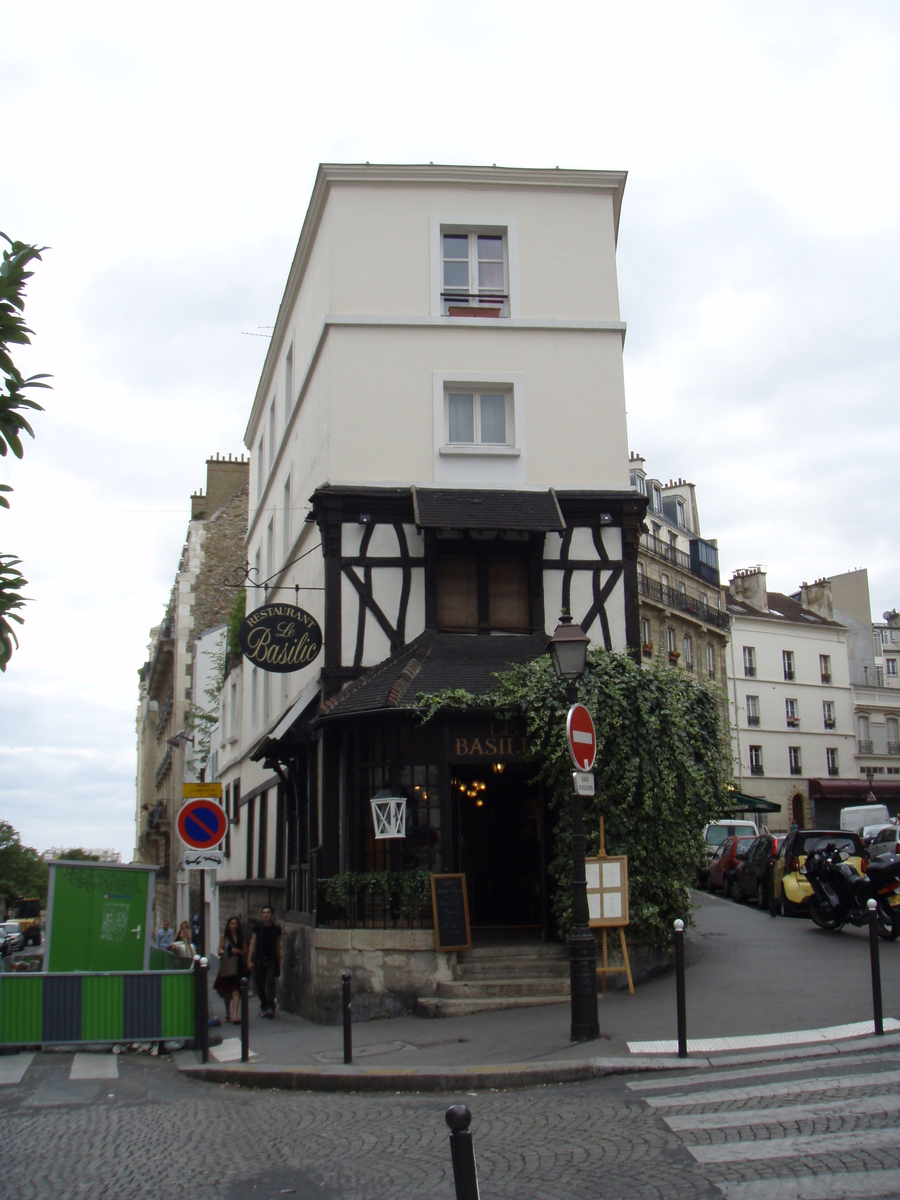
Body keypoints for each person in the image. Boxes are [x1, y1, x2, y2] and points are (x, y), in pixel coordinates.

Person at [247, 905, 281, 1018]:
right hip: (260, 960)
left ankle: (271, 1006)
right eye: (264, 913)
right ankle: (264, 1005)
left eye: (268, 912)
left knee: (270, 982)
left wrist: (279, 962)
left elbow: (277, 946)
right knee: (260, 985)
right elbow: (253, 943)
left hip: (271, 960)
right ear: (262, 915)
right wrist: (249, 960)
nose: (266, 915)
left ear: (272, 915)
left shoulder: (276, 929)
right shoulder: (257, 928)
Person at [214, 916, 247, 1022]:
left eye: (236, 924)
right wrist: (221, 951)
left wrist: (238, 951)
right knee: (227, 991)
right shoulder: (224, 937)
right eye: (232, 924)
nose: (234, 926)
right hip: (227, 966)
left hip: (238, 966)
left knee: (236, 990)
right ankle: (228, 1012)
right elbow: (220, 949)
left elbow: (244, 951)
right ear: (228, 925)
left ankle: (235, 1016)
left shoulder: (241, 937)